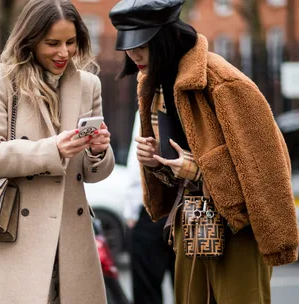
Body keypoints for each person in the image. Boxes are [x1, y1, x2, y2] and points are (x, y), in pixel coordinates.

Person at [109, 0, 299, 303]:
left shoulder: (223, 81)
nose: (134, 55)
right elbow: (178, 167)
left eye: (142, 44)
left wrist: (194, 168)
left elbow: (267, 165)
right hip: (192, 222)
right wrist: (155, 162)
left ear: (166, 37)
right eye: (128, 47)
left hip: (240, 227)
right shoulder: (153, 84)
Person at [0, 1, 115, 304]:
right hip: (14, 242)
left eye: (71, 42)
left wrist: (98, 151)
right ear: (30, 39)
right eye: (52, 43)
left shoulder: (88, 85)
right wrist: (52, 149)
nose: (63, 52)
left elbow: (94, 174)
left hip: (70, 244)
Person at [124, 110, 175, 304]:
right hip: (173, 207)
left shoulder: (150, 104)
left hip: (156, 207)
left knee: (148, 290)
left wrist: (132, 209)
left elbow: (135, 162)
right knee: (188, 289)